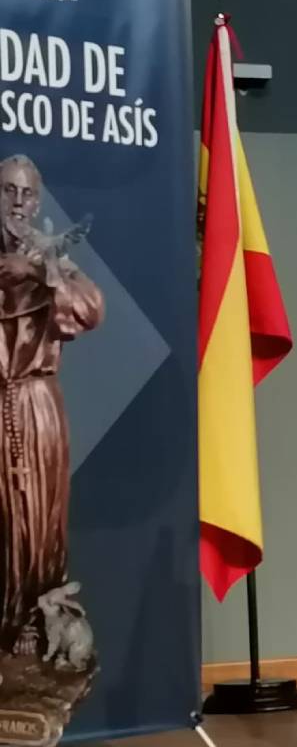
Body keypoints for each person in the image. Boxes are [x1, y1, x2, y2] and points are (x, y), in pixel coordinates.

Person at [0, 154, 104, 654]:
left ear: (38, 201)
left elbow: (89, 310)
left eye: (27, 194)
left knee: (38, 521)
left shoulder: (51, 260)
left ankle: (31, 624)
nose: (17, 203)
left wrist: (45, 273)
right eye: (7, 191)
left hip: (36, 407)